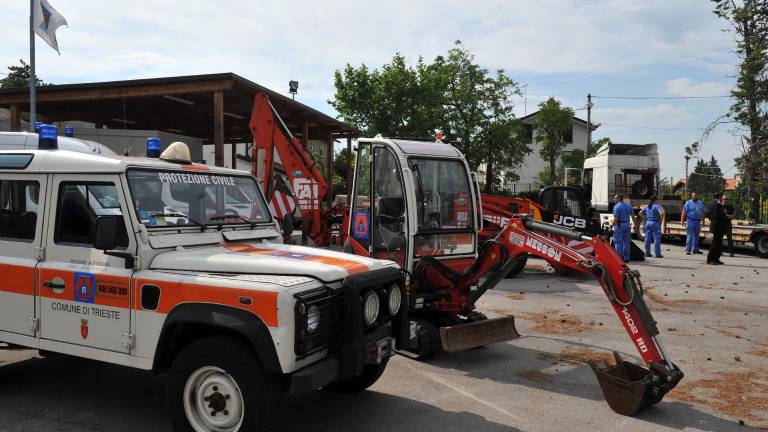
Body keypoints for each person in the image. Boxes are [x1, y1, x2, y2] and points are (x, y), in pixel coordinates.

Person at [707, 193, 727, 265]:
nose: (722, 198)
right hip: (717, 226)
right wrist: (724, 214)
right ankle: (710, 259)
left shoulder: (712, 204)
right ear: (719, 197)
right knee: (715, 244)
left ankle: (716, 259)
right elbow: (717, 215)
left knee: (718, 243)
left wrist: (712, 220)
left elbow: (708, 214)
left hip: (716, 225)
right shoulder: (717, 205)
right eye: (721, 197)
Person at [612, 194, 632, 262]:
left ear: (618, 198)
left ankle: (619, 259)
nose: (614, 199)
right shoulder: (628, 206)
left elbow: (616, 219)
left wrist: (611, 226)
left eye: (615, 198)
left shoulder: (616, 207)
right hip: (627, 225)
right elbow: (632, 216)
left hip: (619, 225)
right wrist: (635, 225)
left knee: (618, 242)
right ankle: (626, 258)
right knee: (626, 242)